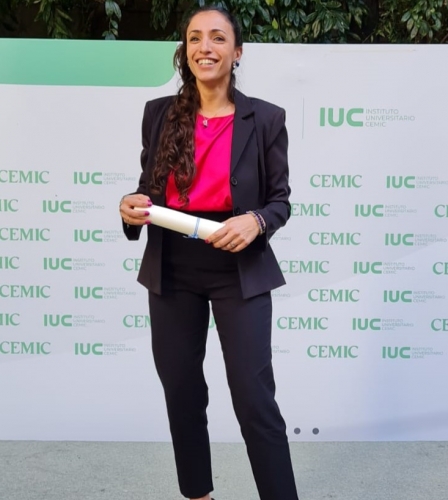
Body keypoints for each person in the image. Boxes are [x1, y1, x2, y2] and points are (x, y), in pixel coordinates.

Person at [119, 6, 299, 500]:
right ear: (185, 50)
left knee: (254, 398)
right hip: (172, 267)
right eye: (195, 37)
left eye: (218, 38)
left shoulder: (266, 118)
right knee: (181, 391)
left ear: (236, 52)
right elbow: (148, 190)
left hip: (238, 267)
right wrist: (131, 206)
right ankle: (198, 495)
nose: (205, 47)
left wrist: (256, 220)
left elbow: (280, 201)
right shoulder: (159, 114)